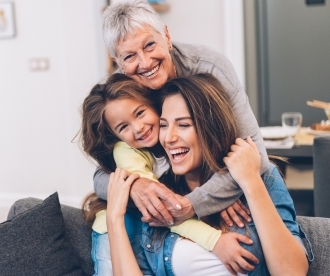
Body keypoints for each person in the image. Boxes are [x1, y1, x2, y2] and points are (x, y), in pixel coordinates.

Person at [104, 73, 310, 276]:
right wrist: (114, 219)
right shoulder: (160, 195)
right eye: (164, 125)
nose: (169, 138)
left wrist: (250, 181)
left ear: (212, 129)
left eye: (184, 125)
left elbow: (292, 272)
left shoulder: (261, 177)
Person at [94, 0, 267, 228]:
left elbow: (256, 157)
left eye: (149, 45)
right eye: (129, 57)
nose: (145, 63)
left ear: (166, 36)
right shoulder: (120, 93)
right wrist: (135, 186)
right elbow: (100, 177)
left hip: (220, 189)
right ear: (118, 63)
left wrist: (196, 201)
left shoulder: (210, 68)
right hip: (170, 195)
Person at [81, 73, 258, 275]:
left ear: (153, 105)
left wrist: (223, 194)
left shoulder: (172, 141)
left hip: (150, 225)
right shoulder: (126, 151)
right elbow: (162, 208)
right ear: (115, 136)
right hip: (114, 224)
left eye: (140, 113)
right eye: (123, 127)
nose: (138, 128)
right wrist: (215, 241)